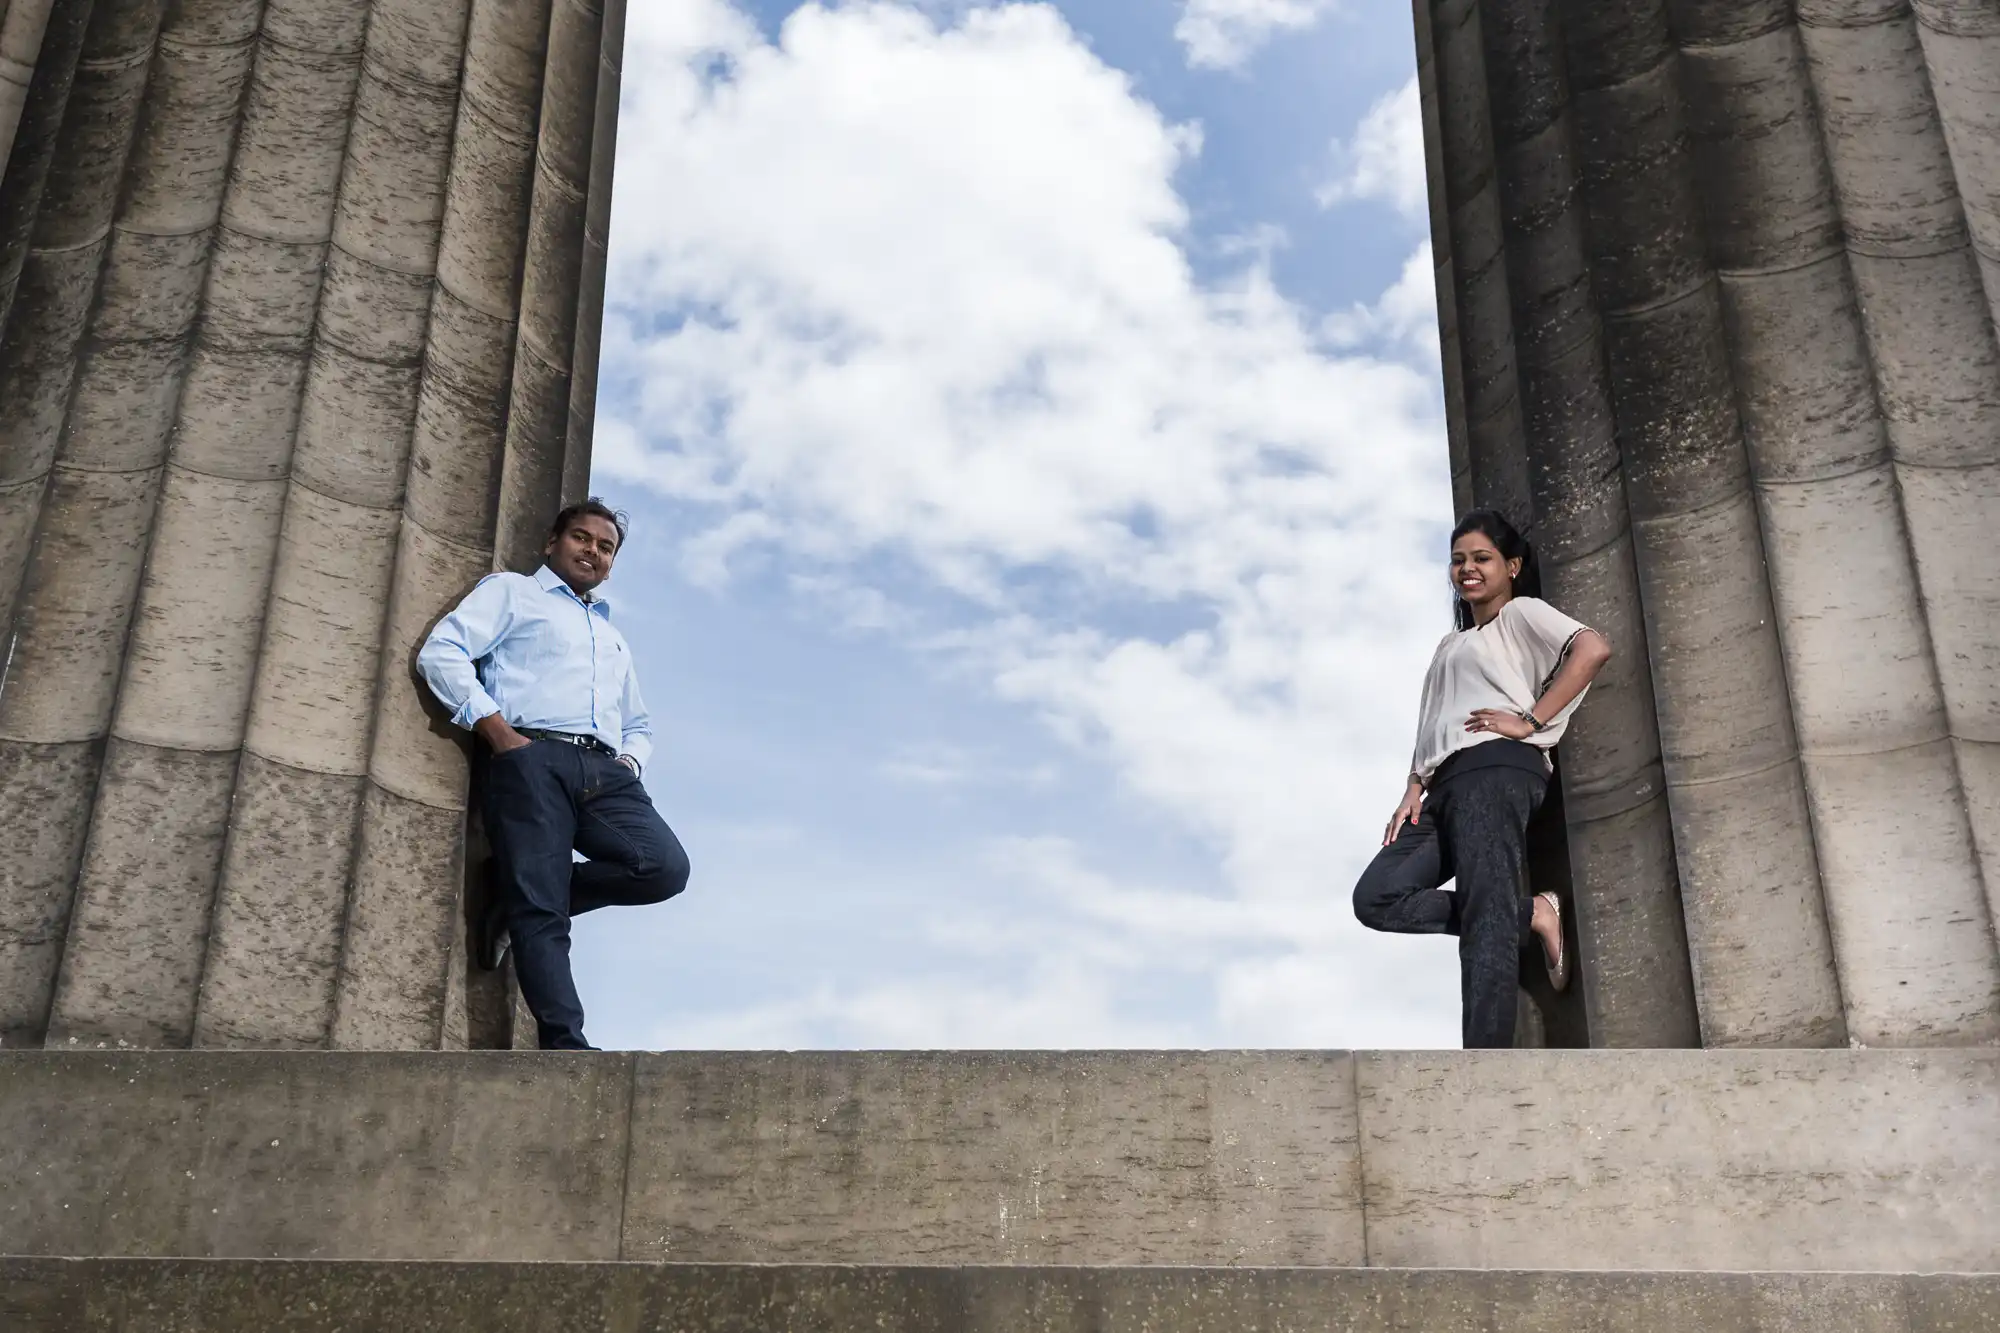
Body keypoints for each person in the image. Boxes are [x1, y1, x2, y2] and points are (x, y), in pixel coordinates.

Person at [418, 498, 690, 1051]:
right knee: (543, 913)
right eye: (582, 538)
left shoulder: (611, 635)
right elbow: (442, 653)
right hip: (531, 757)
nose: (593, 551)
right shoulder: (512, 592)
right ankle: (566, 1046)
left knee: (662, 869)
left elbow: (638, 723)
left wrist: (628, 763)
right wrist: (499, 735)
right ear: (553, 543)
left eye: (605, 547)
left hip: (606, 772)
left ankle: (508, 890)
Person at [1352, 509, 1612, 1049]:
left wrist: (1531, 720)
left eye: (1481, 558)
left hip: (1497, 767)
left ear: (1511, 565)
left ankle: (1485, 1062)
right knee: (1376, 897)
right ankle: (1531, 912)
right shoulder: (1450, 645)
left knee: (1486, 922)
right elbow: (1436, 719)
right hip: (1443, 785)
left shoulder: (1522, 614)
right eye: (1458, 560)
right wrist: (1414, 784)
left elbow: (1592, 649)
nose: (1467, 569)